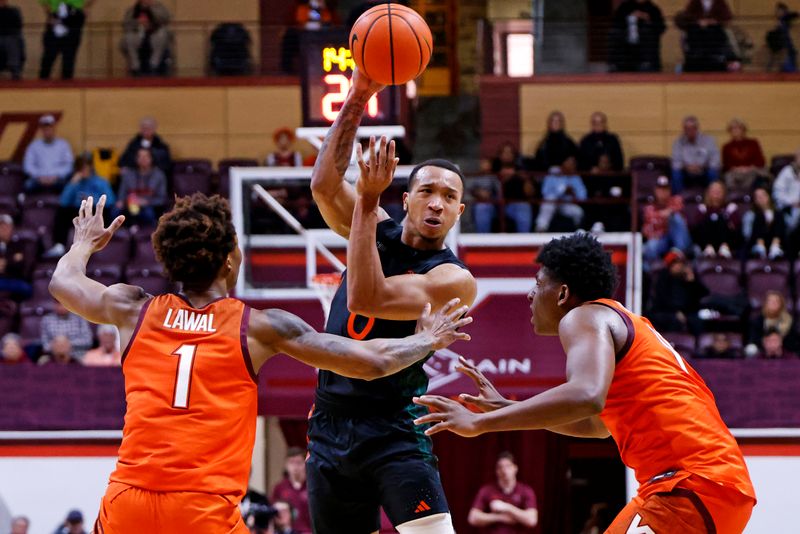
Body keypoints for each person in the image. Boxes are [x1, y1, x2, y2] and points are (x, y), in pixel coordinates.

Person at [48, 193, 471, 533]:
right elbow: (370, 362)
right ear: (230, 260)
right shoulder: (260, 327)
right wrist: (426, 339)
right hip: (203, 510)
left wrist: (84, 243)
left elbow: (63, 283)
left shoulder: (130, 308)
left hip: (128, 502)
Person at [413, 232, 756, 534]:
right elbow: (596, 425)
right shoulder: (622, 321)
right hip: (710, 486)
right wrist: (512, 408)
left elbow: (586, 396)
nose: (531, 295)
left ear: (562, 293)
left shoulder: (584, 316)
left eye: (538, 283)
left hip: (689, 484)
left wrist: (482, 422)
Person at [308, 67, 477, 533]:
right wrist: (359, 95)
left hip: (394, 426)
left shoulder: (452, 278)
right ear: (407, 198)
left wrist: (365, 199)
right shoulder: (373, 223)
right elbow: (323, 183)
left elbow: (366, 297)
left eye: (449, 196)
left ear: (460, 211)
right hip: (329, 421)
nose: (437, 203)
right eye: (427, 191)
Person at [48, 152, 116, 257]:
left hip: (95, 212)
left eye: (86, 167)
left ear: (91, 167)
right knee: (61, 212)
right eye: (81, 168)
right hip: (78, 211)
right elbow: (63, 202)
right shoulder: (75, 182)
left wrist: (92, 200)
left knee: (105, 212)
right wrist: (72, 184)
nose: (84, 171)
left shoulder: (101, 181)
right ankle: (59, 245)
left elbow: (110, 201)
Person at [467, 451, 538, 533]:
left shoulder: (526, 491)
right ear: (496, 471)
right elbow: (472, 518)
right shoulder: (487, 490)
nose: (504, 471)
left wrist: (507, 507)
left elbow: (532, 520)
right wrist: (499, 517)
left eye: (508, 466)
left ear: (515, 468)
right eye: (500, 467)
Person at [647, 249, 708, 335]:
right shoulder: (663, 277)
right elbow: (662, 300)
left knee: (697, 322)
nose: (679, 266)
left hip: (688, 312)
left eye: (681, 263)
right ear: (670, 266)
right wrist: (676, 312)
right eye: (675, 263)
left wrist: (692, 282)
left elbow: (704, 294)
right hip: (667, 311)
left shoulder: (688, 276)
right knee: (670, 320)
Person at [641, 176, 693, 264]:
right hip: (661, 239)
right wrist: (664, 214)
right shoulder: (649, 207)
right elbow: (646, 230)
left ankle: (680, 253)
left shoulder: (676, 200)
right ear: (655, 190)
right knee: (650, 246)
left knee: (675, 217)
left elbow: (676, 213)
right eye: (660, 189)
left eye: (665, 189)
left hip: (678, 238)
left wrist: (661, 216)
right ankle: (655, 266)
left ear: (670, 190)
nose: (663, 192)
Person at [39, 0, 94, 80]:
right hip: (56, 14)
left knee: (69, 61)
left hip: (75, 14)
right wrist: (49, 13)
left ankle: (67, 86)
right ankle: (42, 86)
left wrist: (86, 7)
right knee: (48, 59)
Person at [115, 147, 168, 227]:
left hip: (149, 207)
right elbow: (121, 195)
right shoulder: (128, 174)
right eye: (140, 156)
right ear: (136, 159)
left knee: (148, 213)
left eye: (146, 156)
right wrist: (122, 201)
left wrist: (146, 202)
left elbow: (162, 199)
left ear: (151, 158)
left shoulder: (159, 175)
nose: (143, 159)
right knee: (115, 211)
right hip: (128, 206)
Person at [22, 114, 74, 193]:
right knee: (28, 185)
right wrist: (39, 177)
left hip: (57, 179)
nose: (47, 131)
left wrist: (56, 176)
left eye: (50, 128)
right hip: (39, 180)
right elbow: (28, 166)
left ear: (54, 129)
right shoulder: (34, 146)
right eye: (45, 129)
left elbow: (69, 165)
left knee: (69, 187)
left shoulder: (63, 144)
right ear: (41, 130)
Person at [610, 0, 666, 72]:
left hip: (646, 53)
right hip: (625, 51)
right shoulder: (624, 8)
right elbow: (615, 26)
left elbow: (661, 28)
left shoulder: (653, 9)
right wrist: (630, 18)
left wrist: (648, 19)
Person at [535, 157, 587, 233]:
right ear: (563, 163)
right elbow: (545, 192)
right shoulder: (553, 173)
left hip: (566, 204)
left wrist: (573, 193)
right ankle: (541, 228)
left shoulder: (575, 177)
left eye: (573, 164)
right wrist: (561, 191)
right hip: (552, 203)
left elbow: (583, 196)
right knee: (550, 200)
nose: (571, 165)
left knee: (578, 212)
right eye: (568, 162)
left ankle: (578, 233)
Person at [689, 181, 740, 258]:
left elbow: (734, 226)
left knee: (721, 219)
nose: (716, 193)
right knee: (707, 221)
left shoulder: (731, 207)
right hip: (706, 240)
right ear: (708, 193)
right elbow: (696, 227)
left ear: (724, 193)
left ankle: (724, 247)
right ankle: (708, 248)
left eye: (719, 191)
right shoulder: (702, 208)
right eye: (713, 191)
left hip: (727, 240)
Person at [121, 0, 171, 77]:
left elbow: (165, 19)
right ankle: (135, 67)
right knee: (129, 37)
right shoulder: (133, 9)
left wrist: (152, 9)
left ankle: (153, 65)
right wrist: (137, 22)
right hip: (138, 34)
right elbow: (125, 25)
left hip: (154, 34)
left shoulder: (158, 7)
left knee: (163, 34)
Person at [671, 116, 721, 193]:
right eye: (687, 129)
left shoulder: (708, 140)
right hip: (686, 171)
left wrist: (703, 166)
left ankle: (712, 197)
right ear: (684, 130)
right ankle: (680, 199)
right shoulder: (678, 143)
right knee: (676, 174)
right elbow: (676, 163)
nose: (689, 131)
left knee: (713, 172)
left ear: (697, 128)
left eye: (692, 128)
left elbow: (715, 160)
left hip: (704, 170)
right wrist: (687, 167)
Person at [721, 118, 767, 194]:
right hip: (734, 172)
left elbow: (760, 160)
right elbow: (726, 164)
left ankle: (745, 194)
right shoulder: (726, 147)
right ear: (729, 131)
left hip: (751, 170)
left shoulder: (753, 143)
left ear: (744, 130)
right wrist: (737, 169)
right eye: (733, 129)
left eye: (738, 128)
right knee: (728, 177)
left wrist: (748, 168)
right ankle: (734, 195)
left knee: (752, 175)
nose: (736, 131)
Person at [271, 447, 310, 533]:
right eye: (291, 462)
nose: (295, 467)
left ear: (305, 463)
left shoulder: (311, 487)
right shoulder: (279, 488)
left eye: (299, 462)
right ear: (286, 465)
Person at [746, 290, 796, 356]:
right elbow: (754, 339)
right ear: (766, 304)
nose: (773, 304)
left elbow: (794, 340)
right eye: (770, 301)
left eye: (776, 301)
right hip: (763, 350)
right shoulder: (759, 320)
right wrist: (767, 344)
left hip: (785, 350)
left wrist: (778, 344)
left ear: (781, 304)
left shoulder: (788, 320)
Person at [742, 185, 786, 260]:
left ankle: (775, 247)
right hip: (755, 242)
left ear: (769, 196)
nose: (761, 198)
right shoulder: (750, 215)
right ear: (754, 200)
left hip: (776, 241)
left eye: (763, 195)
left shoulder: (778, 213)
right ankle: (760, 248)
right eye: (757, 197)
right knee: (760, 216)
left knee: (778, 215)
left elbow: (789, 228)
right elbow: (747, 234)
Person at [0, 214, 33, 300]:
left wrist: (6, 263)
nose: (4, 230)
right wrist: (12, 259)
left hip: (15, 279)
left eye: (6, 227)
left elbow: (21, 264)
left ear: (11, 229)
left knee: (26, 288)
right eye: (1, 228)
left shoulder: (18, 245)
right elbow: (15, 260)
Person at [0, 0, 23, 80]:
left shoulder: (13, 11)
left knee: (12, 42)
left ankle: (15, 71)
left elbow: (18, 25)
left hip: (10, 36)